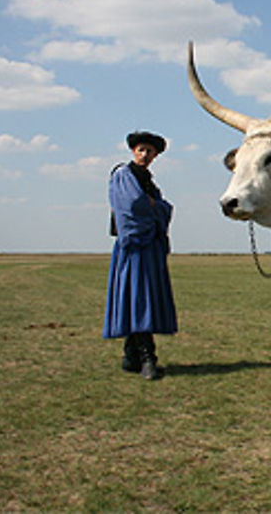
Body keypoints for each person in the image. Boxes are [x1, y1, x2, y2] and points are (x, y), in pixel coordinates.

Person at [103, 130, 177, 380]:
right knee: (139, 299)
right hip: (134, 248)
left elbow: (164, 208)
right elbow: (133, 207)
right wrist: (155, 208)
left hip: (149, 249)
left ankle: (130, 357)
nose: (145, 155)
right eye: (141, 150)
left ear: (155, 155)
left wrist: (156, 207)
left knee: (136, 299)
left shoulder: (148, 181)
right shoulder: (123, 175)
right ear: (133, 151)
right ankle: (147, 358)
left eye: (150, 151)